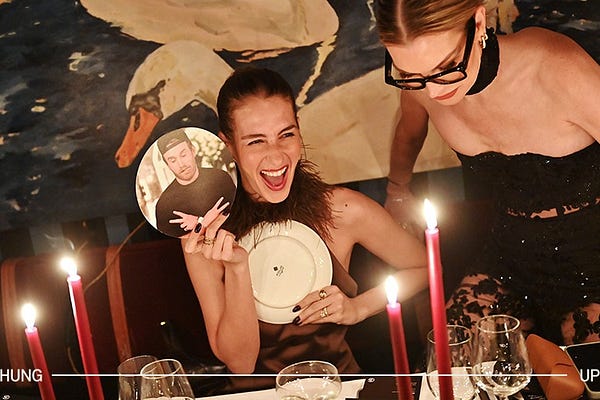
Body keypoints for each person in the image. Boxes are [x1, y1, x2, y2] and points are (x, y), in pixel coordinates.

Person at [374, 0, 600, 345]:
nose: (433, 90)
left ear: (478, 22)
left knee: (587, 368)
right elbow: (409, 132)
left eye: (446, 66)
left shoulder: (557, 66)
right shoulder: (421, 85)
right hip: (509, 255)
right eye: (410, 74)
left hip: (593, 254)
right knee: (452, 358)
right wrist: (397, 191)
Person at [181, 66, 428, 375]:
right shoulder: (206, 232)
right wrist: (238, 268)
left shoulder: (342, 209)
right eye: (256, 141)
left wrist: (357, 308)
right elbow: (240, 364)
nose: (276, 156)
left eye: (286, 134)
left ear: (299, 131)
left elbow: (425, 268)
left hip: (338, 385)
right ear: (228, 145)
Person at [154, 129, 236, 237]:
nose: (181, 164)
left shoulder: (221, 179)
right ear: (167, 165)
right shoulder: (164, 206)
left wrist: (199, 223)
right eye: (173, 160)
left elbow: (238, 216)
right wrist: (203, 222)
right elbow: (173, 244)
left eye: (183, 155)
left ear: (193, 150)